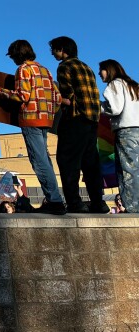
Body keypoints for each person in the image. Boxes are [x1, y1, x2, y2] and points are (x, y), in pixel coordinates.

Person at [0, 40, 66, 215]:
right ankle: (54, 198)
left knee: (39, 162)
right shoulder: (45, 70)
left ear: (17, 54)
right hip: (46, 120)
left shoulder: (23, 70)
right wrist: (48, 112)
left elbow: (22, 96)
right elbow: (58, 98)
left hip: (30, 120)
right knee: (45, 160)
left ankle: (54, 200)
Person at [49, 37, 108, 213]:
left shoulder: (64, 67)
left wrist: (55, 97)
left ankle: (75, 202)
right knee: (90, 163)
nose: (52, 53)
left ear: (62, 50)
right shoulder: (86, 67)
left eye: (54, 50)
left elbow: (68, 97)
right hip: (92, 119)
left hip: (75, 118)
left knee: (68, 161)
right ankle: (99, 202)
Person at [99, 59, 139, 213]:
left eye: (101, 70)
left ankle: (133, 208)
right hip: (137, 129)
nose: (99, 74)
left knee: (127, 171)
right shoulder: (133, 85)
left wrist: (98, 106)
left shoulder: (115, 84)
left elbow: (114, 109)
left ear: (109, 70)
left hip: (126, 131)